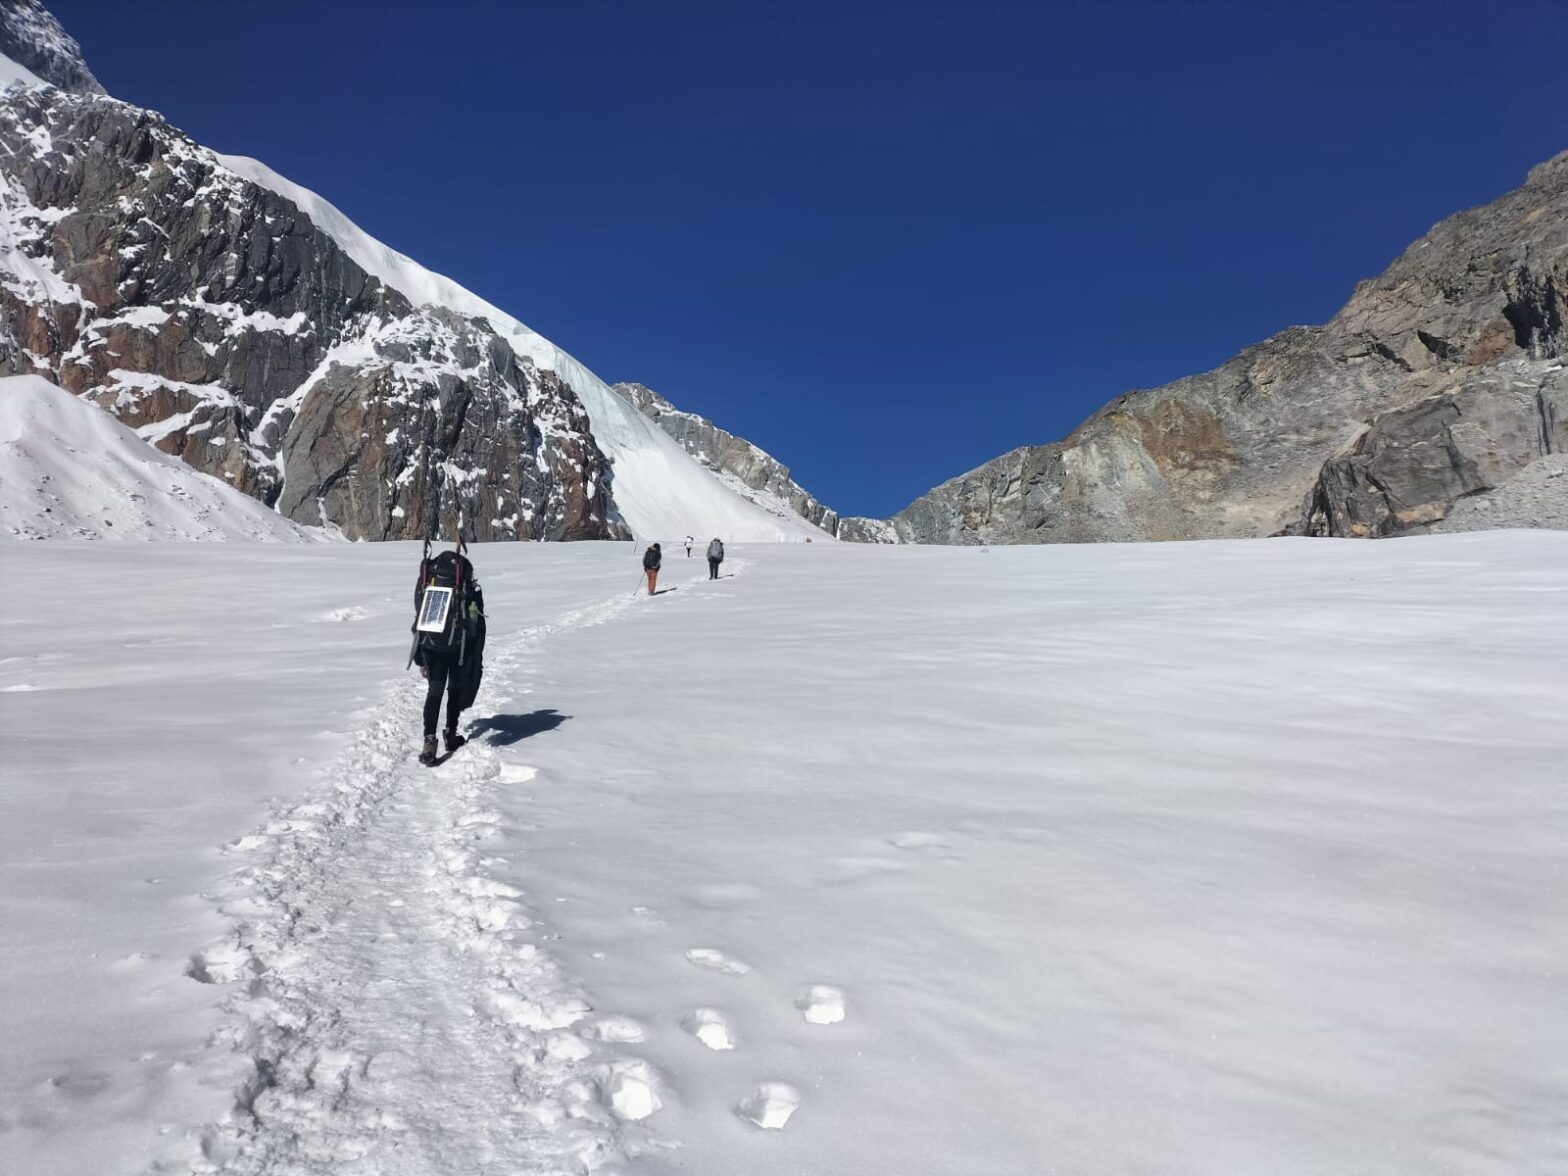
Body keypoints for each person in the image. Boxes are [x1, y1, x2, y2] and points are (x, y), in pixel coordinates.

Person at [412, 548, 485, 765]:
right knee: (454, 690)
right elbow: (475, 618)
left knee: (434, 691)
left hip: (432, 645)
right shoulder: (463, 580)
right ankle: (450, 734)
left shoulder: (430, 578)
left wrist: (419, 654)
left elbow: (419, 611)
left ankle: (429, 741)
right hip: (458, 647)